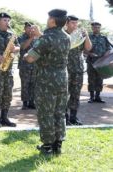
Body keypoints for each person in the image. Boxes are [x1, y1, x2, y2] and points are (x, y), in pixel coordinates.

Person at [24, 9, 70, 155]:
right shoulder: (67, 37)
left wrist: (26, 53)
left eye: (49, 17)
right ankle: (58, 144)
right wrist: (40, 36)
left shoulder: (45, 38)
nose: (47, 19)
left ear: (52, 21)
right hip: (62, 78)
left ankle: (47, 145)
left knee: (46, 112)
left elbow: (30, 58)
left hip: (46, 80)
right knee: (59, 112)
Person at [65, 15, 92, 125]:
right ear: (66, 23)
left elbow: (88, 48)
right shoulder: (63, 35)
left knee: (76, 94)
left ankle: (73, 117)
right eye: (72, 23)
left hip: (78, 68)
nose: (75, 25)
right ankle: (64, 118)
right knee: (64, 94)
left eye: (76, 23)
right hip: (65, 69)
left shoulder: (80, 35)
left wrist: (87, 36)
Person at [86, 22, 112, 103]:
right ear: (92, 28)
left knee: (100, 79)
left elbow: (109, 48)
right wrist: (90, 53)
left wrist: (106, 55)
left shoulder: (104, 38)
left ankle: (98, 97)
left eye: (98, 27)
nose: (96, 29)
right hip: (91, 62)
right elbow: (84, 49)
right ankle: (91, 97)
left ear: (100, 28)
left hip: (101, 63)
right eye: (94, 27)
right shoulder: (88, 37)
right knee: (91, 79)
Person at [18, 22, 37, 110]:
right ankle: (25, 103)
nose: (30, 30)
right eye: (28, 28)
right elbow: (23, 47)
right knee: (25, 84)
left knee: (33, 84)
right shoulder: (22, 37)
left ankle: (32, 102)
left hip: (35, 66)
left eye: (32, 28)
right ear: (25, 29)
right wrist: (31, 37)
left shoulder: (37, 38)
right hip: (24, 65)